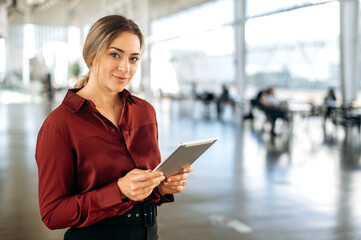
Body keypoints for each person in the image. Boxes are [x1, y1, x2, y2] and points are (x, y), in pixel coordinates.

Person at [35, 15, 192, 240]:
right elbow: (53, 213)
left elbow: (147, 184)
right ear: (92, 55)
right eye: (115, 54)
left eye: (134, 58)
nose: (125, 68)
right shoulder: (60, 124)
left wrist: (161, 187)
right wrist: (118, 191)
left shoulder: (145, 111)